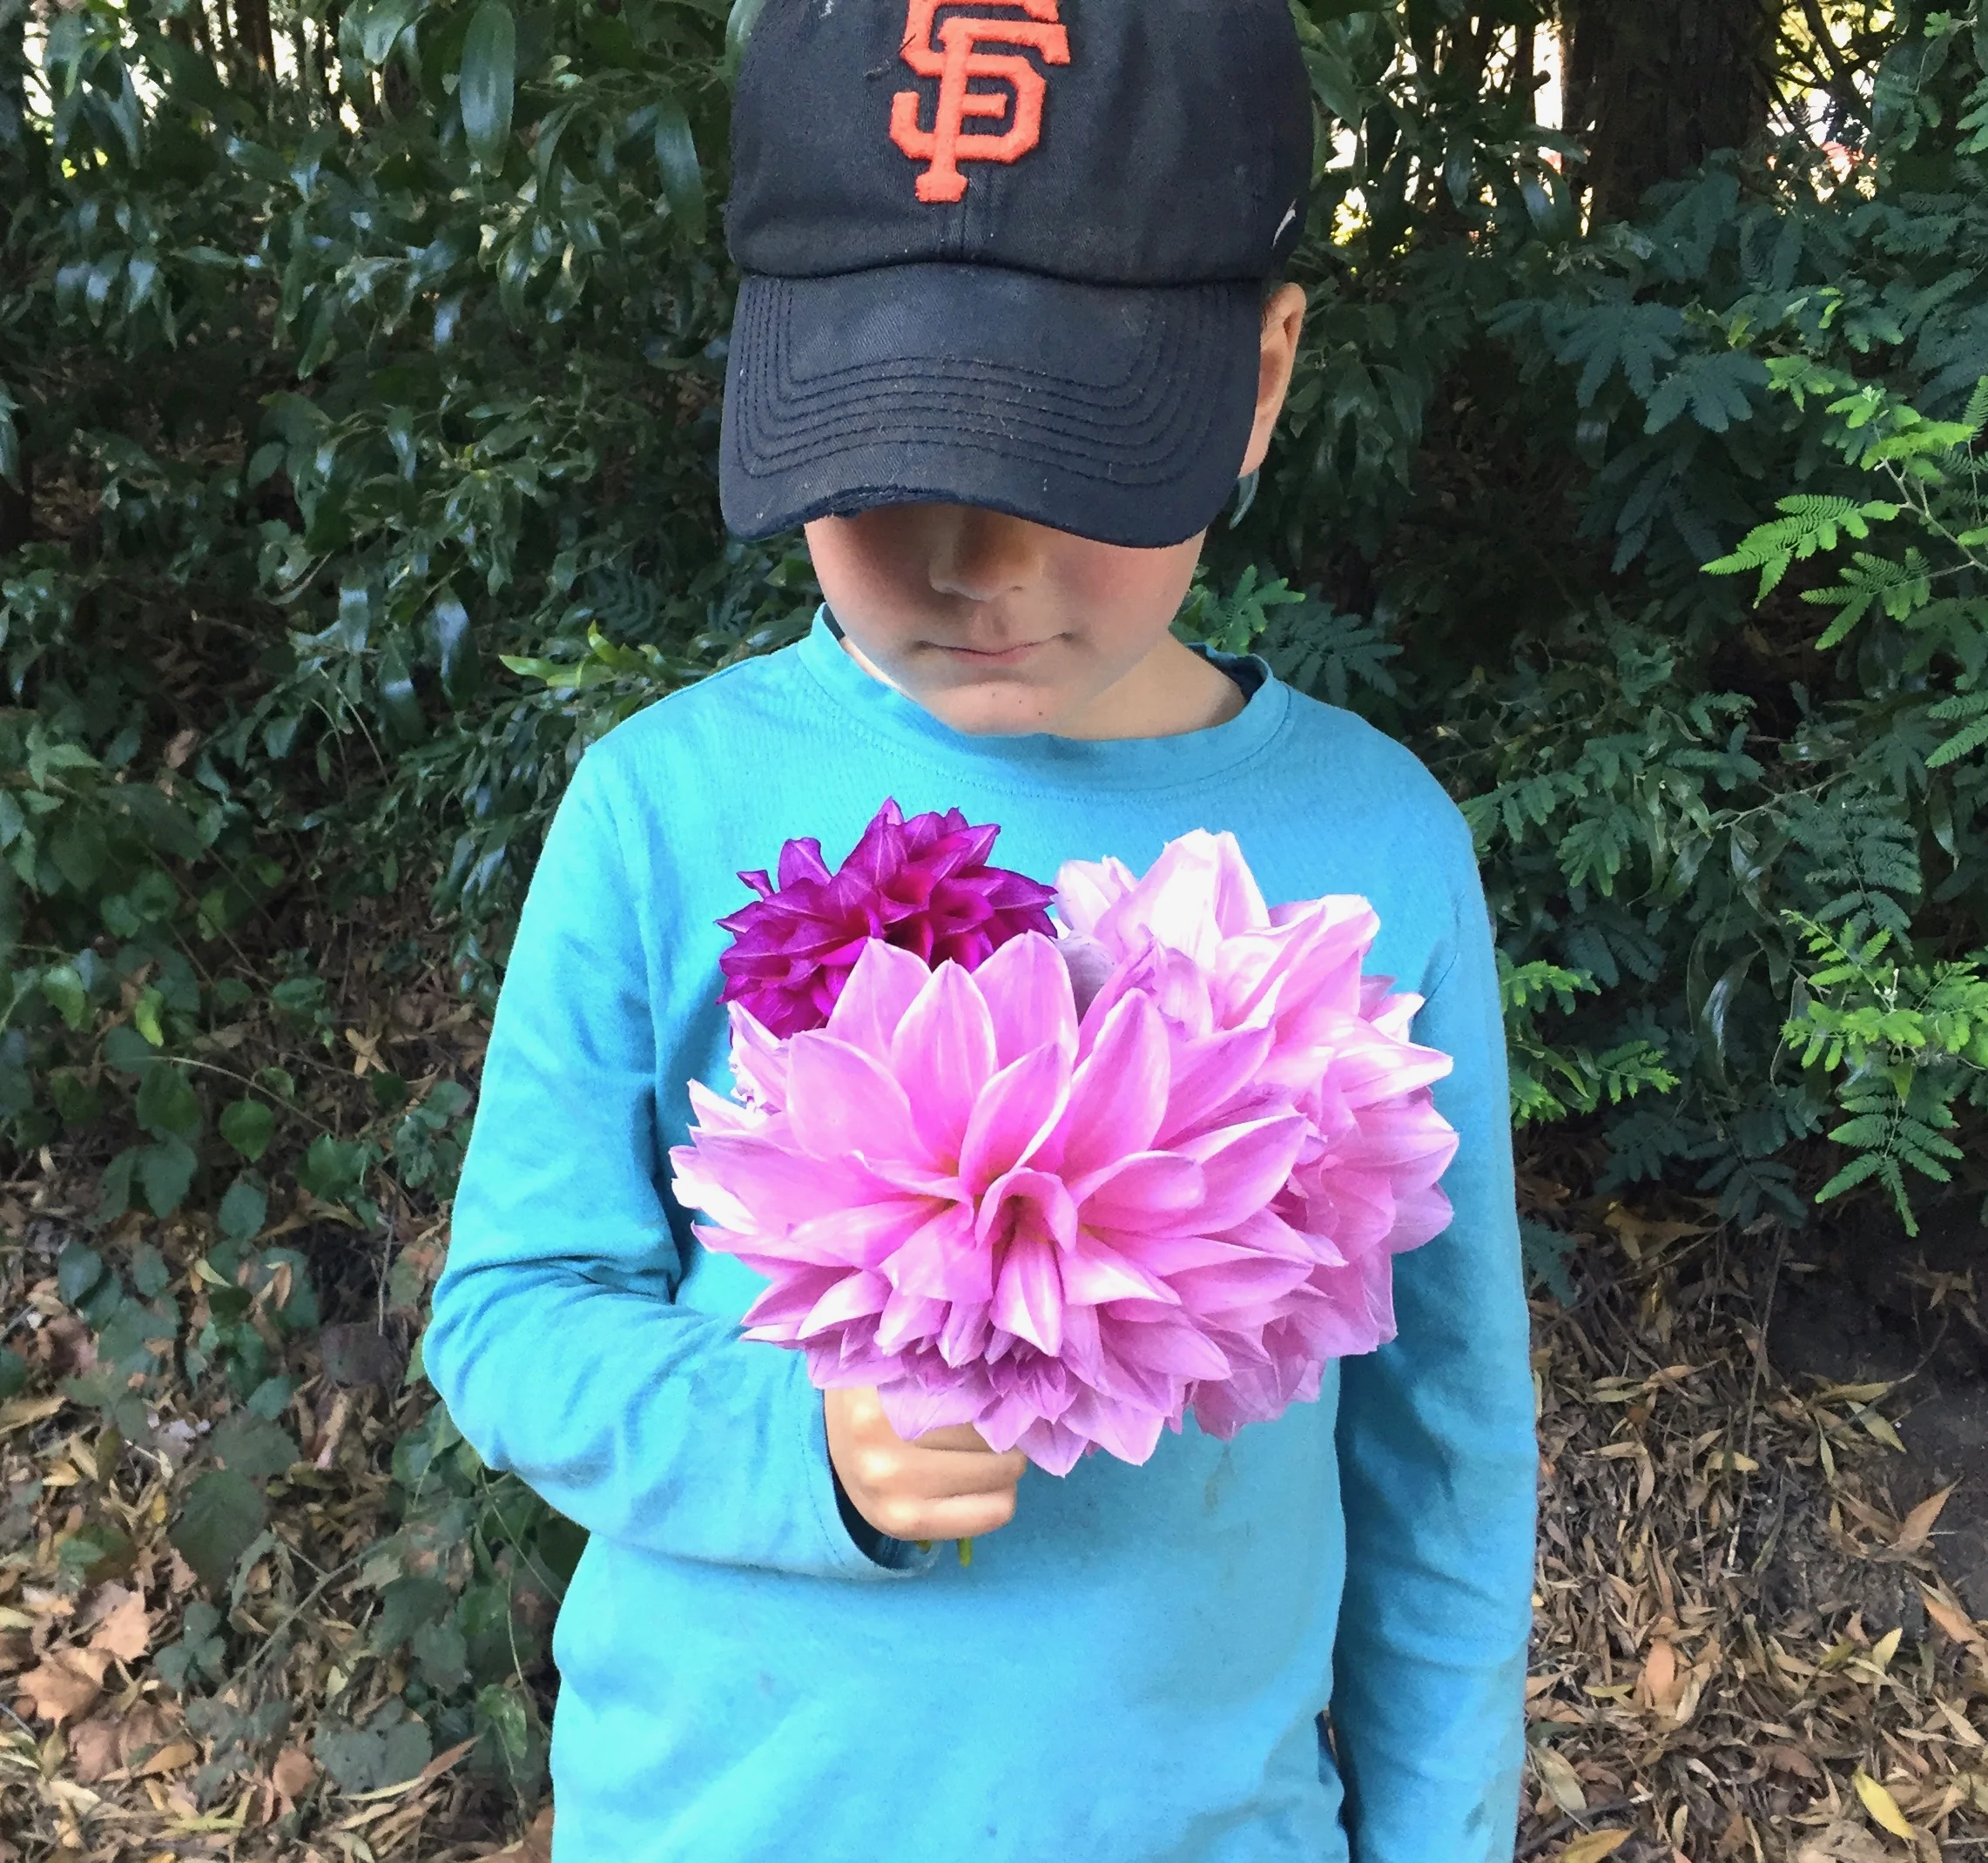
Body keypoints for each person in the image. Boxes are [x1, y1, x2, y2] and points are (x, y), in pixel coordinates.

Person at [422, 2, 1540, 1859]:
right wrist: (800, 1443)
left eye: (1078, 454)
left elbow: (1443, 1445)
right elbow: (512, 1314)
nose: (977, 561)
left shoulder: (1372, 849)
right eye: (890, 453)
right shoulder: (663, 807)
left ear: (1259, 377)